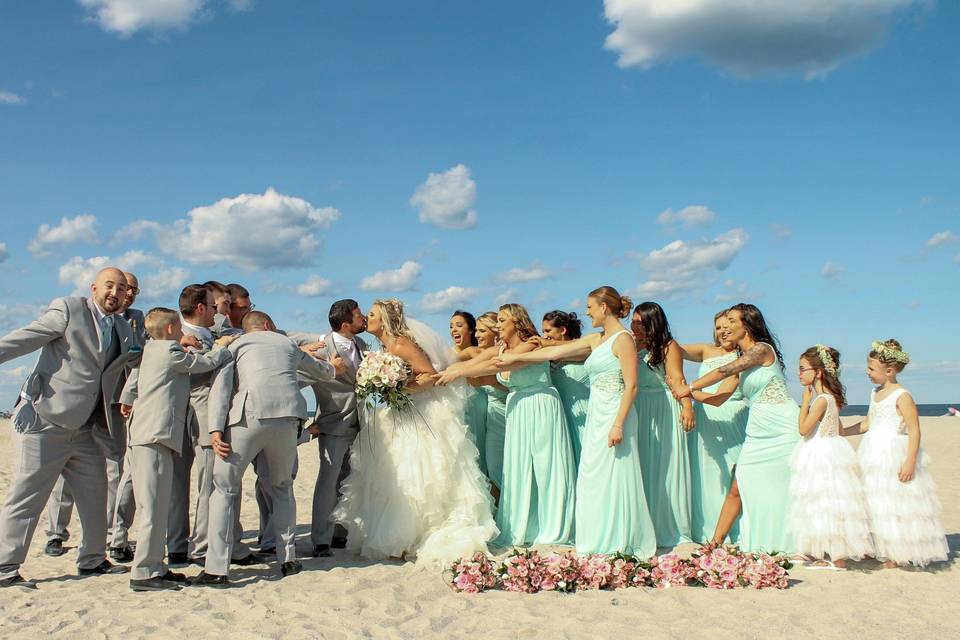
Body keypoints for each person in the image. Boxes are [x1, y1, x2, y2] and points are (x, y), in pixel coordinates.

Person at [0, 267, 137, 589]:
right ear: (94, 288)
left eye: (121, 288)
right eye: (109, 286)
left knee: (95, 493)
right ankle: (5, 567)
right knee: (27, 496)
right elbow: (25, 339)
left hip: (86, 428)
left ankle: (92, 560)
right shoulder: (68, 310)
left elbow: (135, 361)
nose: (115, 293)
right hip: (45, 421)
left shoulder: (123, 328)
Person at [333, 299, 497, 567]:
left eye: (371, 314)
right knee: (394, 474)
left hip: (418, 414)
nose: (366, 317)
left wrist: (394, 389)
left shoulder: (400, 343)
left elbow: (430, 376)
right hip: (398, 413)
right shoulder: (383, 345)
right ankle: (396, 538)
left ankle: (413, 535)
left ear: (384, 319)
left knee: (417, 472)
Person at [496, 287, 656, 557]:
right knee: (592, 477)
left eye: (590, 307)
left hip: (616, 414)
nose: (587, 312)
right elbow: (553, 353)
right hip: (596, 413)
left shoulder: (623, 340)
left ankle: (617, 539)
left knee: (614, 474)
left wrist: (618, 424)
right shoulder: (597, 340)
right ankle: (595, 538)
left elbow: (631, 386)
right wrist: (514, 357)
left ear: (604, 307)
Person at [190, 311, 340, 586]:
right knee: (283, 487)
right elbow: (321, 371)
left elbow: (221, 387)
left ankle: (217, 568)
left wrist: (214, 429)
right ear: (269, 325)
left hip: (248, 416)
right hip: (288, 418)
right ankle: (288, 559)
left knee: (224, 488)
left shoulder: (235, 346)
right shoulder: (288, 345)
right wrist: (334, 368)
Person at [436, 303, 576, 547]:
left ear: (516, 322)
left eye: (502, 321)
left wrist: (459, 373)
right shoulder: (501, 346)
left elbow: (499, 365)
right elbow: (479, 359)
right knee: (519, 468)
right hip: (518, 408)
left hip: (541, 405)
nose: (498, 325)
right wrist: (450, 369)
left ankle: (552, 526)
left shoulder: (532, 343)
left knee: (546, 466)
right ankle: (526, 525)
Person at [121, 308, 232, 591]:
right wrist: (222, 347)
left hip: (151, 436)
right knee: (153, 507)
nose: (185, 334)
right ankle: (144, 572)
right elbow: (204, 364)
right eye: (180, 331)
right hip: (154, 436)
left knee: (157, 505)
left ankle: (156, 565)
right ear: (171, 329)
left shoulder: (154, 349)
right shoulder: (169, 352)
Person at [678, 303, 799, 554]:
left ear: (747, 325)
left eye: (732, 321)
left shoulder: (761, 350)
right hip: (758, 428)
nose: (725, 328)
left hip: (782, 426)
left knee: (784, 485)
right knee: (738, 485)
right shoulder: (741, 359)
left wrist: (688, 389)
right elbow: (721, 395)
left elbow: (723, 371)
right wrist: (689, 395)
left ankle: (792, 541)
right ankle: (714, 544)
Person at [44, 270, 145, 560]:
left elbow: (142, 356)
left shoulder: (136, 319)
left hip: (115, 404)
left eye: (132, 290)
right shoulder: (82, 313)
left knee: (114, 468)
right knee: (66, 468)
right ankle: (56, 533)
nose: (128, 294)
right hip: (78, 404)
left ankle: (114, 534)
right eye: (125, 287)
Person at [843, 339, 948, 567]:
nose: (867, 372)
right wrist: (844, 432)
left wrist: (910, 461)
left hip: (892, 453)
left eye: (871, 368)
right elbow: (868, 422)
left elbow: (914, 430)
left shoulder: (902, 396)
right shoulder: (875, 393)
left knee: (893, 502)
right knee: (872, 499)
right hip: (871, 450)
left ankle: (896, 554)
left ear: (889, 371)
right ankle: (876, 546)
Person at [790, 345, 872, 570]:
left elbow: (803, 429)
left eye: (803, 368)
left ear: (818, 372)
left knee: (825, 502)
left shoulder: (822, 400)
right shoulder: (831, 398)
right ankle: (814, 549)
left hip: (821, 454)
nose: (799, 373)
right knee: (820, 501)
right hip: (829, 450)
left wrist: (804, 401)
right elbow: (840, 430)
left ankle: (837, 558)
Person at [306, 299, 368, 558]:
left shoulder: (362, 345)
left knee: (349, 480)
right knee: (328, 481)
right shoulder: (320, 349)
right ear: (345, 323)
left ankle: (340, 534)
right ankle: (321, 539)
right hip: (332, 423)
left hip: (361, 421)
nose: (363, 317)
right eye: (358, 314)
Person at [681, 311, 748, 544]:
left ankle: (736, 531)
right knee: (708, 475)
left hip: (734, 417)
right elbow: (673, 349)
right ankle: (707, 530)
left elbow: (722, 394)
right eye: (718, 327)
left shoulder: (744, 355)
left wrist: (688, 392)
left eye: (727, 325)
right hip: (705, 421)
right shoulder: (706, 350)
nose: (723, 331)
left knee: (734, 475)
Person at [632, 301, 695, 547]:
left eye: (640, 323)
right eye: (633, 322)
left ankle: (669, 527)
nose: (635, 327)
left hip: (663, 407)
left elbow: (679, 380)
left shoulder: (669, 347)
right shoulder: (631, 345)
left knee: (663, 467)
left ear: (652, 323)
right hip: (639, 408)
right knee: (643, 465)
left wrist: (688, 407)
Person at [541, 310, 590, 466]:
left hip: (584, 413)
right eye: (543, 332)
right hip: (560, 414)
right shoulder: (547, 355)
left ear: (563, 330)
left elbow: (568, 352)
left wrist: (548, 345)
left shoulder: (582, 348)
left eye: (548, 331)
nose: (544, 336)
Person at [450, 310, 489, 475]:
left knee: (478, 449)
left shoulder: (476, 352)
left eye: (459, 325)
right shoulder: (447, 352)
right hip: (453, 405)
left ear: (471, 330)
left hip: (475, 402)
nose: (453, 330)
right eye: (451, 326)